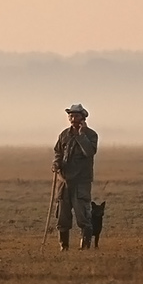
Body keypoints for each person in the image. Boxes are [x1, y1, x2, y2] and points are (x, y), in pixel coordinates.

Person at [52, 103, 98, 250]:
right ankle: (63, 246)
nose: (73, 118)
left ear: (83, 117)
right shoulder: (64, 134)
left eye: (76, 115)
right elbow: (58, 152)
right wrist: (56, 164)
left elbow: (89, 152)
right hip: (64, 181)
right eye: (71, 115)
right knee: (62, 217)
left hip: (81, 182)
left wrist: (81, 135)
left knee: (83, 216)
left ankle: (84, 247)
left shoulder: (91, 135)